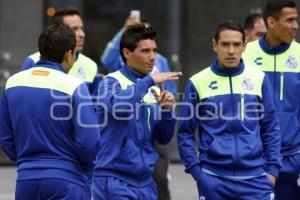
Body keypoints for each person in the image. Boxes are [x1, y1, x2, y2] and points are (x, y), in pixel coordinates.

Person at [177, 20, 282, 199]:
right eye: (225, 44)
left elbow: (271, 128)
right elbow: (184, 133)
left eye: (236, 45)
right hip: (214, 180)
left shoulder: (259, 79)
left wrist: (272, 171)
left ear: (244, 46)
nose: (231, 51)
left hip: (256, 180)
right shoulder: (197, 82)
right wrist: (198, 175)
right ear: (214, 45)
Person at [0, 24, 100, 200]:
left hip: (26, 180)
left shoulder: (12, 83)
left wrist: (26, 163)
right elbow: (90, 142)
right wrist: (81, 168)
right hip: (67, 180)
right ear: (69, 54)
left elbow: (6, 137)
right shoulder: (75, 86)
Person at [92, 24, 182, 200]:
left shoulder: (151, 87)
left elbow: (163, 138)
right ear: (127, 53)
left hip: (146, 183)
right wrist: (148, 82)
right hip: (114, 181)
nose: (152, 57)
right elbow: (118, 106)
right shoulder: (110, 82)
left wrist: (166, 111)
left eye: (154, 51)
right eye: (145, 51)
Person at [243, 0, 300, 199]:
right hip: (253, 157)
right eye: (290, 20)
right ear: (271, 22)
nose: (295, 26)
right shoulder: (245, 53)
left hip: (293, 157)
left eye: (296, 20)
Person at [22, 9, 100, 98]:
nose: (82, 34)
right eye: (74, 29)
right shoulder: (33, 61)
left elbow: (93, 107)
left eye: (81, 29)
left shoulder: (91, 66)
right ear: (57, 31)